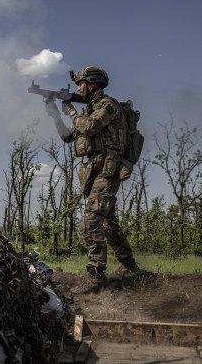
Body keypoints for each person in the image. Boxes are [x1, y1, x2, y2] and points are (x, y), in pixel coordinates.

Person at [45, 66, 139, 281]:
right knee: (108, 223)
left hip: (109, 169)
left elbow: (89, 127)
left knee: (90, 221)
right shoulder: (89, 109)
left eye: (81, 84)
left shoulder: (108, 105)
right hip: (96, 170)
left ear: (92, 84)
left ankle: (96, 274)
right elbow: (68, 136)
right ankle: (130, 268)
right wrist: (55, 114)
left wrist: (69, 109)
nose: (78, 88)